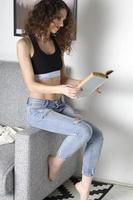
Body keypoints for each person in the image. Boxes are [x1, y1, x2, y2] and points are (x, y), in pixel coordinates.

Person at [17, 0, 103, 199]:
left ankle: (85, 185)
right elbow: (31, 85)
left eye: (64, 20)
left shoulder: (56, 43)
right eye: (58, 18)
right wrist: (62, 89)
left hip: (58, 106)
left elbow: (62, 78)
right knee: (83, 130)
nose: (62, 24)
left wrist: (86, 82)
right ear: (44, 15)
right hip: (39, 110)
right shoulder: (25, 44)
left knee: (97, 135)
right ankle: (55, 161)